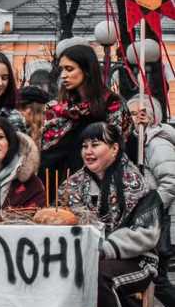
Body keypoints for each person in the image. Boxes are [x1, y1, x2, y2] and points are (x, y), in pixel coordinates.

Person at [59, 122, 162, 307]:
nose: (88, 151)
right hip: (81, 259)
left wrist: (103, 249)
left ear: (115, 148)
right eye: (84, 146)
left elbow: (146, 233)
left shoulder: (139, 182)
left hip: (136, 260)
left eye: (96, 144)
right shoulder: (72, 185)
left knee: (99, 276)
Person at [41, 44, 130, 202]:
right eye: (61, 69)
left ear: (87, 70)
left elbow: (118, 150)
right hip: (56, 189)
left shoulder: (111, 105)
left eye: (69, 69)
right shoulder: (57, 109)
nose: (63, 75)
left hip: (99, 190)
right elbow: (45, 153)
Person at [125, 95, 175, 307]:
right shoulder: (139, 143)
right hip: (151, 221)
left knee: (158, 279)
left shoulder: (156, 143)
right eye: (132, 114)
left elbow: (170, 182)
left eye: (140, 114)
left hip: (158, 221)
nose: (136, 119)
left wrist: (150, 210)